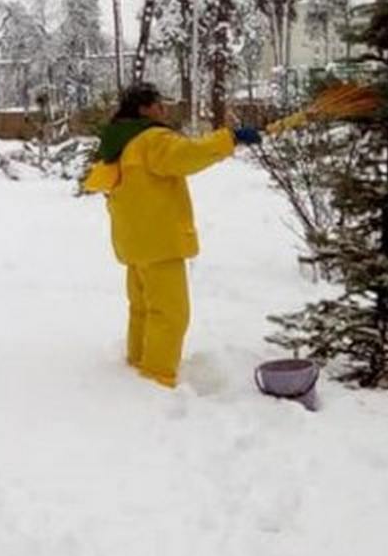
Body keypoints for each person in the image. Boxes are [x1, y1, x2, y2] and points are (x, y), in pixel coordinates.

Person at [83, 83, 261, 388]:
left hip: (133, 241)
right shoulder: (151, 139)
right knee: (170, 314)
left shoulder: (119, 141)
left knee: (142, 309)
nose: (164, 110)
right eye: (158, 104)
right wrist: (230, 137)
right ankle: (156, 377)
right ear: (143, 109)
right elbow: (189, 155)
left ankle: (137, 362)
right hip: (159, 241)